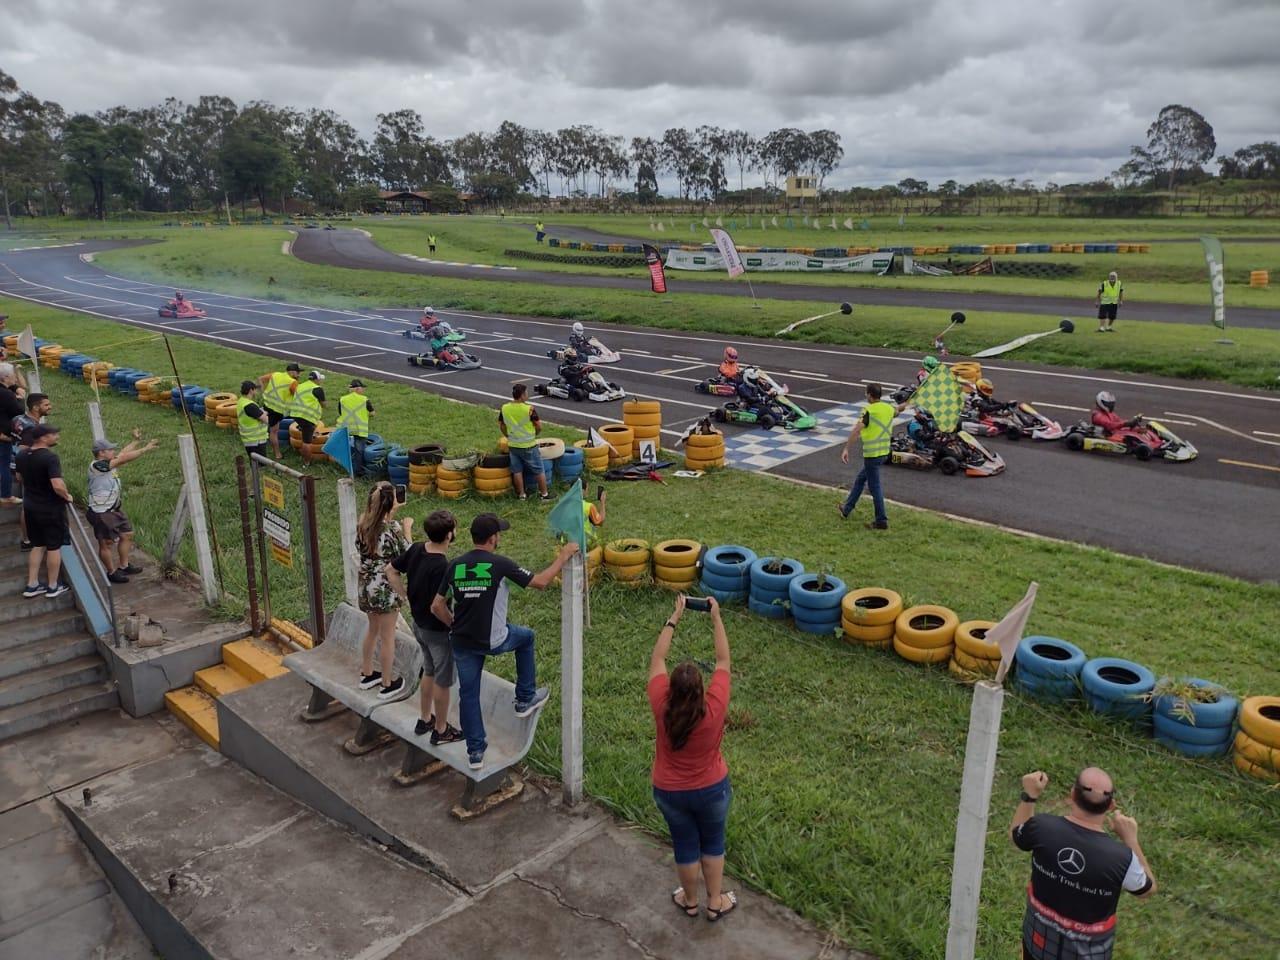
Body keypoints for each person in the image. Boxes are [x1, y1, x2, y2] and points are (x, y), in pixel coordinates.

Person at [430, 513, 578, 769]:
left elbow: (436, 606)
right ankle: (525, 698)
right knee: (526, 638)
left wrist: (453, 623)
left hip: (462, 641)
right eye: (499, 534)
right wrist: (563, 556)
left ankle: (475, 752)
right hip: (494, 639)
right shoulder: (501, 565)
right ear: (492, 538)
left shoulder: (455, 565)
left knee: (468, 695)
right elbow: (541, 582)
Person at [647, 594, 737, 922]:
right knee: (713, 842)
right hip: (712, 788)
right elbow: (724, 661)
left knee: (685, 845)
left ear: (670, 688)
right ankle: (715, 902)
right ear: (702, 689)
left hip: (670, 791)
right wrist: (715, 617)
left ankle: (690, 901)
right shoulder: (714, 706)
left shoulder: (661, 703)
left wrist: (675, 616)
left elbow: (657, 659)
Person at [1011, 767, 1155, 960]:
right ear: (1111, 805)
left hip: (1037, 946)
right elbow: (1148, 889)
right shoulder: (1122, 858)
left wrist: (1030, 795)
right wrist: (1131, 840)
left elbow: (1017, 835)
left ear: (1071, 795)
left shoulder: (1041, 827)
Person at [385, 509, 463, 745]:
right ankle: (441, 730)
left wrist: (405, 595)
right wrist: (452, 625)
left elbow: (391, 570)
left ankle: (425, 717)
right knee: (442, 679)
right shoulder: (443, 566)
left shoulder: (417, 548)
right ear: (449, 535)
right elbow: (438, 607)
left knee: (428, 670)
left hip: (418, 624)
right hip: (437, 631)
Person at [355, 482, 412, 700]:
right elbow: (408, 555)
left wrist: (390, 510)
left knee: (373, 629)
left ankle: (367, 673)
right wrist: (407, 528)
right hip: (386, 588)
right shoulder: (393, 529)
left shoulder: (362, 523)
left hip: (366, 586)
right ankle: (388, 684)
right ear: (390, 504)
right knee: (388, 637)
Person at [87, 430, 159, 584]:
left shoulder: (108, 462)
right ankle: (111, 572)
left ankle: (124, 565)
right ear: (101, 453)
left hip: (114, 509)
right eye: (110, 449)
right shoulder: (98, 466)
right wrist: (145, 449)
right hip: (102, 512)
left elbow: (122, 455)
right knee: (106, 543)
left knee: (127, 534)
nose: (114, 452)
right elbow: (123, 459)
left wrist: (135, 441)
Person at [15, 424, 73, 599]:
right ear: (43, 437)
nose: (57, 437)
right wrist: (67, 495)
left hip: (30, 506)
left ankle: (32, 585)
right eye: (54, 434)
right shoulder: (50, 458)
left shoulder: (22, 455)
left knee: (37, 545)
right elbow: (57, 485)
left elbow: (18, 478)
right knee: (54, 546)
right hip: (50, 508)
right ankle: (53, 586)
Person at [840, 383, 902, 530]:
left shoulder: (868, 410)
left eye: (866, 393)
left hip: (872, 454)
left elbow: (857, 430)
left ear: (869, 395)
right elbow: (898, 411)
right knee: (861, 479)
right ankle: (847, 508)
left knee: (875, 487)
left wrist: (846, 448)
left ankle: (881, 520)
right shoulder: (887, 408)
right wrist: (907, 402)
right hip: (884, 452)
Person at [12, 391, 50, 550]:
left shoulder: (18, 419)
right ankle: (27, 539)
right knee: (28, 506)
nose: (50, 407)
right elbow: (23, 451)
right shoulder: (31, 428)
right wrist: (21, 472)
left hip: (13, 465)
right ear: (35, 407)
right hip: (28, 471)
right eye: (46, 405)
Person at [499, 383, 550, 501]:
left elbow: (501, 425)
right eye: (526, 393)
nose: (527, 395)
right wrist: (536, 433)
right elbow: (538, 425)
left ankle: (521, 495)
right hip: (529, 445)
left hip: (513, 445)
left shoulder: (505, 408)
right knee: (538, 470)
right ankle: (544, 494)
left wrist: (507, 435)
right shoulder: (529, 409)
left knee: (517, 471)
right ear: (522, 395)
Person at [258, 362, 301, 460]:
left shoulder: (275, 374)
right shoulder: (292, 382)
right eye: (298, 373)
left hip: (267, 404)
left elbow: (260, 379)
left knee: (268, 426)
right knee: (274, 431)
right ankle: (277, 454)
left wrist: (263, 392)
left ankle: (263, 442)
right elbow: (298, 396)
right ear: (293, 372)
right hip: (277, 409)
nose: (299, 375)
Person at [337, 379, 374, 478]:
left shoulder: (342, 399)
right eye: (362, 388)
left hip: (346, 428)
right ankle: (358, 471)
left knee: (346, 448)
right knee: (359, 450)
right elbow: (372, 413)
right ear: (357, 389)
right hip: (359, 428)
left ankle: (346, 467)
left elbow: (340, 412)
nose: (363, 390)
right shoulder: (364, 399)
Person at [0, 363, 25, 506]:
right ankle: (5, 495)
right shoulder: (6, 394)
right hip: (5, 434)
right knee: (4, 464)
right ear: (6, 377)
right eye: (13, 376)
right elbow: (19, 412)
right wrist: (20, 399)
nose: (15, 379)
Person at [290, 371, 326, 460]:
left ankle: (303, 456)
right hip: (307, 417)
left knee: (305, 436)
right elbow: (324, 404)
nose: (320, 381)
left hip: (295, 414)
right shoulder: (317, 389)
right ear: (316, 379)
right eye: (320, 379)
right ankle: (307, 462)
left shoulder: (300, 385)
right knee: (307, 441)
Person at [235, 379, 270, 459]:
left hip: (249, 440)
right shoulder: (250, 405)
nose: (256, 392)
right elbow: (266, 420)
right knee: (261, 464)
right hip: (256, 440)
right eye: (255, 389)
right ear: (251, 390)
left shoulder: (241, 401)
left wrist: (262, 412)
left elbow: (253, 414)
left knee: (254, 464)